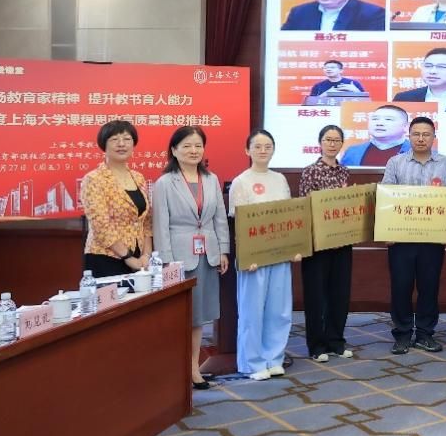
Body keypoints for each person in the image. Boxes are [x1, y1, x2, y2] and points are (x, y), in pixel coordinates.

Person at [151, 126, 229, 390]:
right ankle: (176, 368)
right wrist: (167, 262)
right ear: (174, 150)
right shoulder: (165, 183)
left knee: (199, 316)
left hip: (207, 255)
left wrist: (223, 250)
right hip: (179, 257)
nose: (193, 150)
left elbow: (219, 218)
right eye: (186, 146)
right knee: (181, 315)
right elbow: (160, 225)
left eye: (198, 145)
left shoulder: (211, 179)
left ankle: (193, 367)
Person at [381, 117, 446, 355]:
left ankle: (425, 334)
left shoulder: (445, 163)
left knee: (429, 286)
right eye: (416, 134)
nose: (421, 138)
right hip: (401, 239)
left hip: (432, 238)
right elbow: (386, 198)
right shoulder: (395, 162)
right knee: (401, 286)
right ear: (409, 136)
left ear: (434, 137)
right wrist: (386, 232)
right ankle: (402, 334)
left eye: (426, 134)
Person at [228, 130, 296, 381]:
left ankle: (274, 358)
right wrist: (247, 255)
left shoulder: (280, 179)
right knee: (252, 311)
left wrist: (292, 249)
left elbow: (289, 217)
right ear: (247, 150)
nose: (263, 150)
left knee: (279, 310)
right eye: (257, 146)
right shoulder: (241, 181)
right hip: (254, 258)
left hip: (279, 255)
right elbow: (239, 224)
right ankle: (252, 363)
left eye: (268, 146)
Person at [298, 125, 354, 362]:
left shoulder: (344, 172)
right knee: (316, 296)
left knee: (339, 294)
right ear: (320, 142)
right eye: (328, 140)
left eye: (337, 140)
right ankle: (317, 345)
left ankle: (336, 341)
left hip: (342, 242)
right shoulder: (310, 172)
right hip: (317, 243)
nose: (332, 144)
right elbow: (306, 206)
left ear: (342, 144)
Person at [79, 120, 152, 277]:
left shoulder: (138, 178)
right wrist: (128, 257)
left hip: (139, 259)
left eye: (127, 139)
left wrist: (146, 255)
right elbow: (101, 225)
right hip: (105, 257)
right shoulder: (94, 179)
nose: (121, 144)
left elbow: (146, 221)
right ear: (103, 145)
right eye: (114, 139)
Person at [341, 104, 410, 166]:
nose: (379, 123)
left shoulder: (414, 151)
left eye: (388, 119)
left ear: (406, 127)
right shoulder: (353, 151)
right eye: (375, 119)